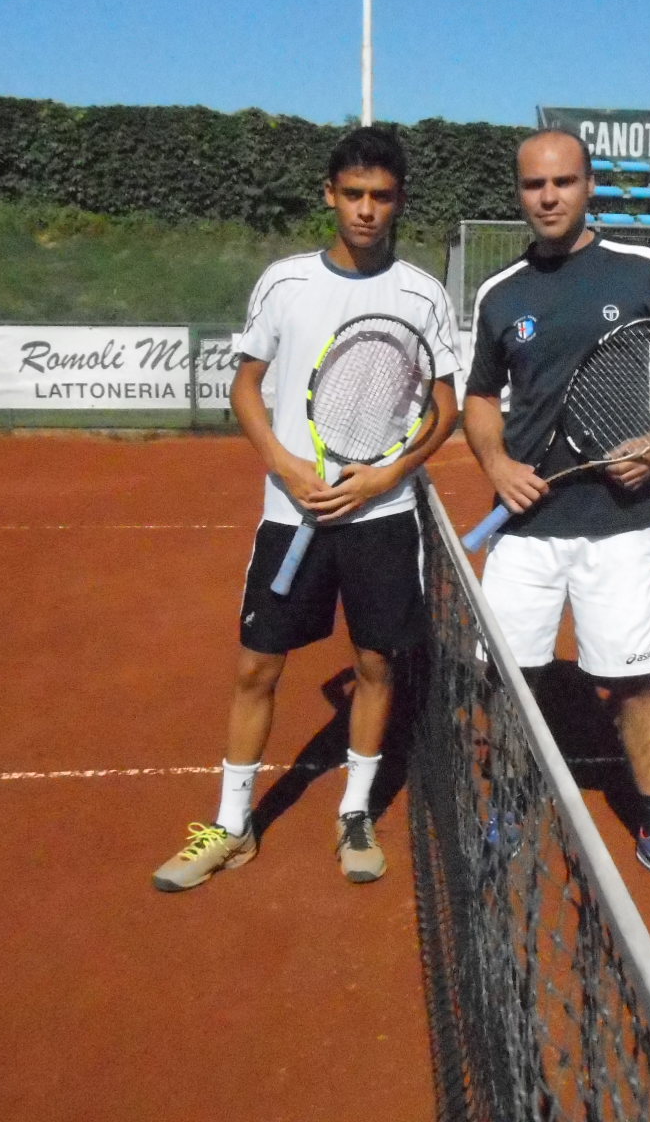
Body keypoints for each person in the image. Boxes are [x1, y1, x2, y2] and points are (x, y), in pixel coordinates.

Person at [153, 127, 461, 892]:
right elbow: (245, 386)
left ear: (399, 201)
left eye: (381, 196)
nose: (366, 210)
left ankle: (354, 811)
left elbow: (444, 410)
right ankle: (232, 826)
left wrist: (385, 476)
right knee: (257, 666)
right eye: (353, 194)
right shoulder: (284, 283)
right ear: (329, 195)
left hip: (383, 518)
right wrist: (285, 463)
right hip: (290, 514)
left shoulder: (422, 294)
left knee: (376, 664)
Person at [461, 128, 650, 903]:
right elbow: (479, 397)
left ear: (589, 185)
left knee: (634, 682)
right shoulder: (499, 293)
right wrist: (497, 466)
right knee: (510, 681)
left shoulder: (640, 269)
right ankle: (510, 804)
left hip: (620, 523)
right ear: (519, 193)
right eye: (534, 184)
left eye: (563, 182)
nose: (548, 196)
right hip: (525, 530)